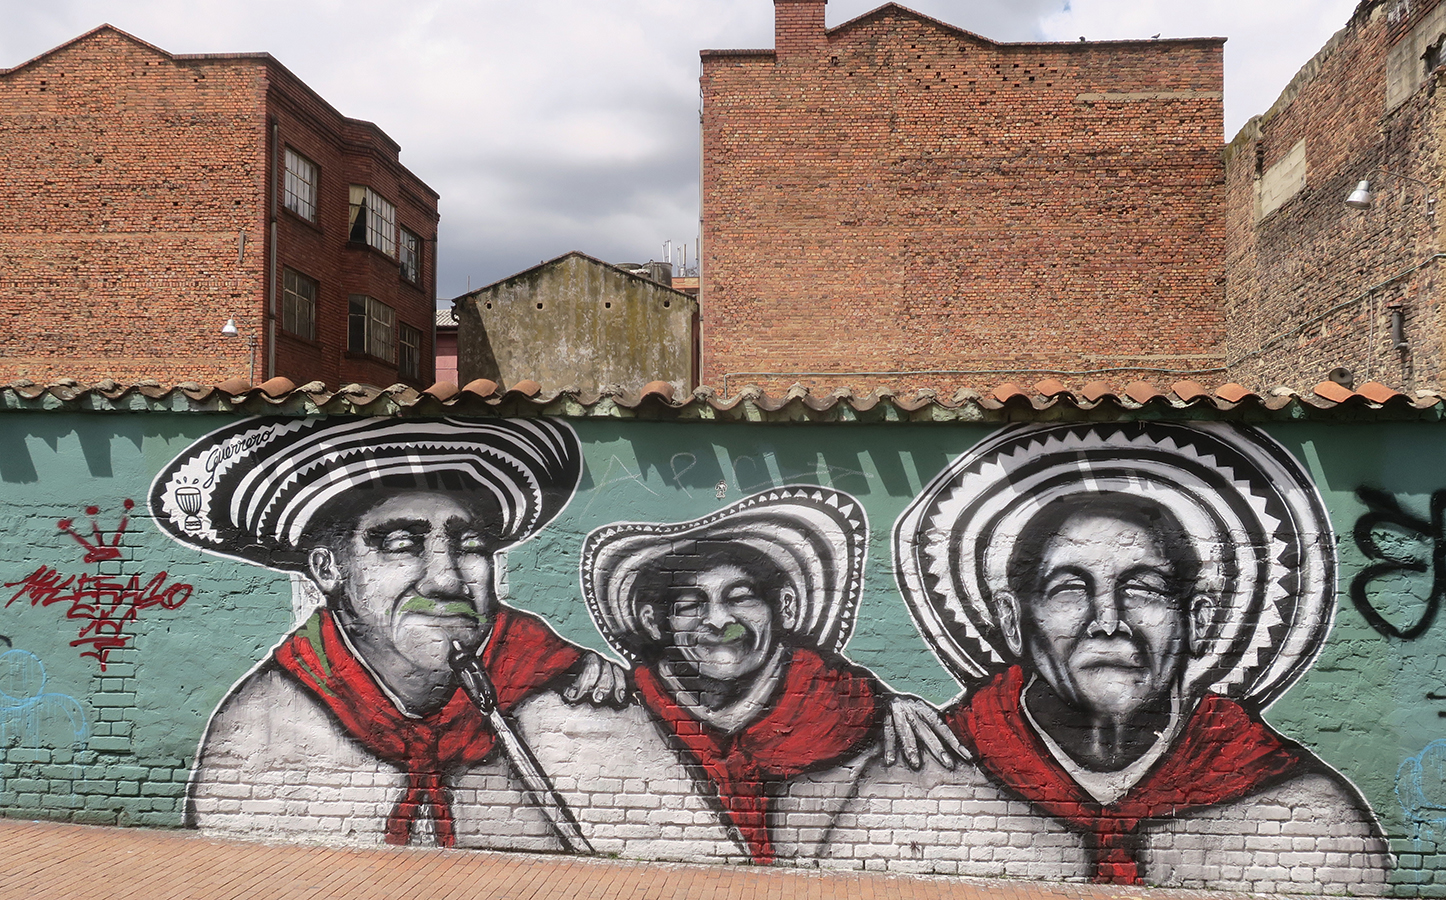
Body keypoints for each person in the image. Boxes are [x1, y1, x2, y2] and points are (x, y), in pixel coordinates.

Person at [829, 422, 1391, 893]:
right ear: (1013, 620)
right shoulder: (921, 783)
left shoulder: (1303, 811)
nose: (1107, 620)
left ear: (1197, 620)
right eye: (1068, 589)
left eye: (1144, 589)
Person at [151, 417, 626, 850]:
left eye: (471, 546)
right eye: (401, 545)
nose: (446, 580)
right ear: (329, 569)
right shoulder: (258, 731)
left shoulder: (561, 686)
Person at [582, 486, 963, 864]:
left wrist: (890, 705)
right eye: (690, 605)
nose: (718, 621)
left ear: (784, 606)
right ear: (654, 622)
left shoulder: (851, 707)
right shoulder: (627, 703)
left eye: (740, 597)